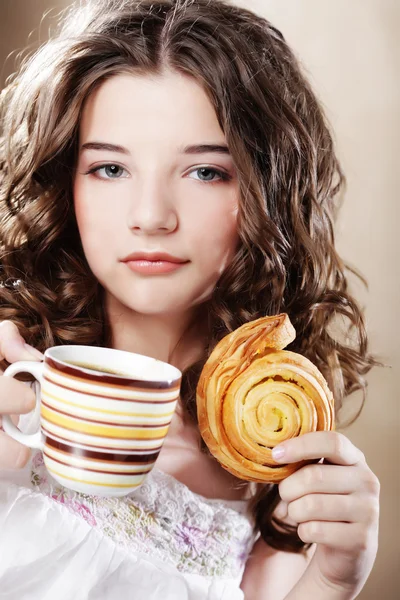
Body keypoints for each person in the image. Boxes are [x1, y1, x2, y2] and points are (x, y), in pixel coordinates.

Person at [0, 0, 380, 598]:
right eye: (109, 169)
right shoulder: (7, 368)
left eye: (205, 172)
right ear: (62, 180)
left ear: (266, 193)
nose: (151, 217)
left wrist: (334, 577)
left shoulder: (268, 463)